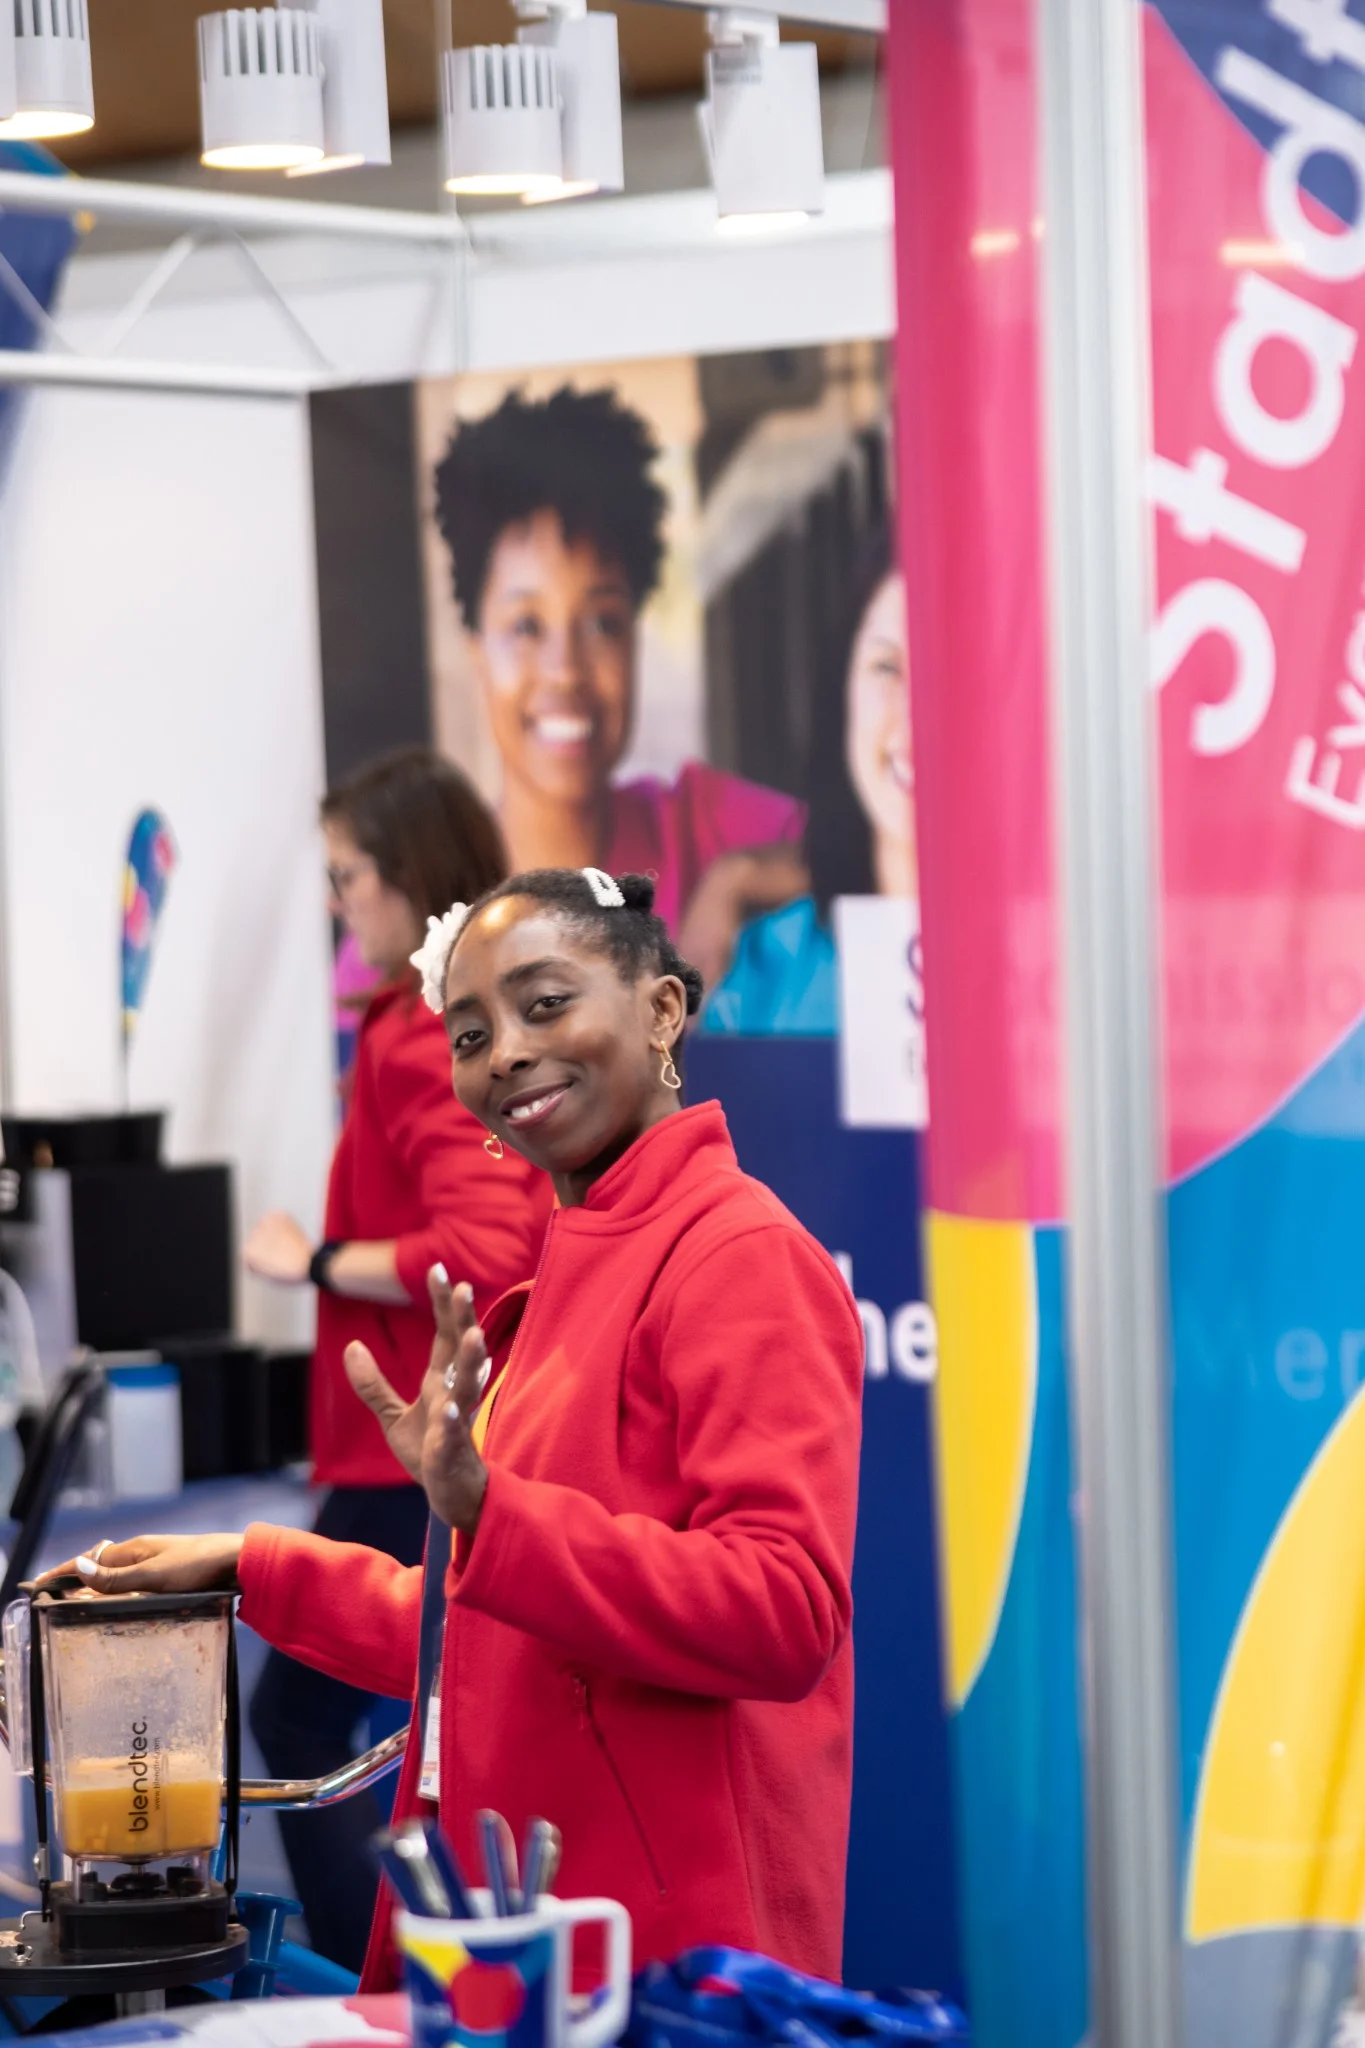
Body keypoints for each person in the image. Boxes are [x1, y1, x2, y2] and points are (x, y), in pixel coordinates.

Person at [54, 867, 863, 1988]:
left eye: (545, 1004)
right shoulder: (560, 1280)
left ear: (664, 1009)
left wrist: (490, 1507)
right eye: (473, 1031)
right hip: (515, 1937)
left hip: (663, 1962)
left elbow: (785, 1611)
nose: (507, 1054)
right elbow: (490, 1636)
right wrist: (248, 1568)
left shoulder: (739, 1254)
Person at [242, 749, 554, 1971]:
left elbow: (481, 1247)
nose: (338, 902)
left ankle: (384, 1988)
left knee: (305, 1710)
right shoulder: (418, 1023)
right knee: (359, 1715)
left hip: (422, 1434)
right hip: (420, 1433)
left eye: (348, 875)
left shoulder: (425, 1032)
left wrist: (313, 1261)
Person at [432, 386, 809, 990]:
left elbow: (886, 859)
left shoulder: (703, 828)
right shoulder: (428, 903)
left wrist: (739, 877)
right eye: (526, 626)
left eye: (602, 622)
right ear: (475, 650)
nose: (566, 670)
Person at [701, 521, 914, 1035]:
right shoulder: (762, 981)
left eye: (952, 667)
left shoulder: (1063, 961)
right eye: (887, 667)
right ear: (842, 696)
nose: (915, 712)